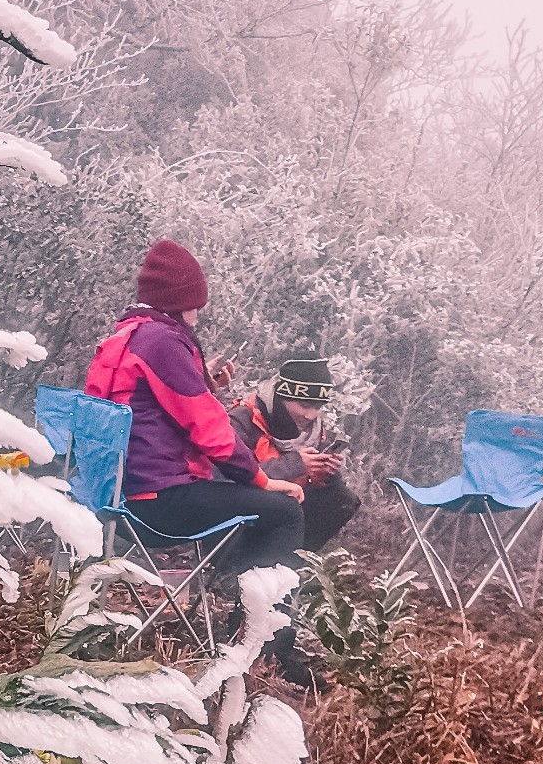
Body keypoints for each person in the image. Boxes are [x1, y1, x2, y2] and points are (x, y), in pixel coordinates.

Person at [85, 241, 305, 574]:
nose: (197, 314)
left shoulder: (128, 338)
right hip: (158, 503)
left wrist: (203, 384)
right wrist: (260, 479)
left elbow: (151, 410)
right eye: (195, 305)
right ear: (180, 302)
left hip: (116, 496)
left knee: (243, 499)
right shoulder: (163, 342)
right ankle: (265, 621)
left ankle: (243, 604)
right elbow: (207, 425)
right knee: (285, 511)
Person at [229, 354, 361, 553]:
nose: (311, 415)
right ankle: (243, 567)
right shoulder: (243, 419)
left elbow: (313, 484)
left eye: (318, 407)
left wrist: (323, 474)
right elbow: (230, 476)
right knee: (285, 504)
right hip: (240, 504)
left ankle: (297, 564)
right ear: (282, 398)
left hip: (288, 503)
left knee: (342, 499)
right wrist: (296, 464)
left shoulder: (314, 429)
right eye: (304, 405)